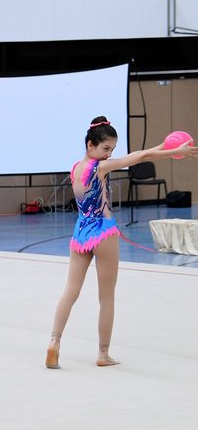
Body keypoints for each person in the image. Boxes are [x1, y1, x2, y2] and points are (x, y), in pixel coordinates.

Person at [46, 116, 198, 369]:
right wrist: (172, 151)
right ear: (90, 145)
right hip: (103, 232)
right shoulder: (100, 167)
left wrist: (163, 146)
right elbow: (139, 158)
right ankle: (103, 354)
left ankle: (54, 341)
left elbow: (138, 154)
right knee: (106, 297)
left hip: (81, 232)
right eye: (106, 148)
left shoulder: (75, 168)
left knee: (70, 292)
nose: (109, 154)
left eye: (112, 150)